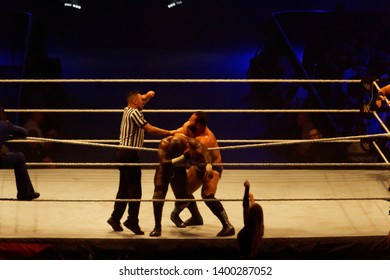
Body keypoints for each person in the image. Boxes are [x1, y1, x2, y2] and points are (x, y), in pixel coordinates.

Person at [107, 90, 177, 235]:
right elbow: (150, 129)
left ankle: (115, 218)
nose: (143, 102)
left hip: (122, 154)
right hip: (129, 155)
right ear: (135, 102)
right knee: (135, 190)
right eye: (141, 100)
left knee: (124, 189)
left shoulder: (127, 110)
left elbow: (140, 99)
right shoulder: (135, 113)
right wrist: (170, 132)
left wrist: (148, 96)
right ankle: (132, 220)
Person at [173, 111, 235, 237]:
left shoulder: (207, 139)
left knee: (207, 196)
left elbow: (190, 154)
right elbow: (177, 133)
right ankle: (196, 217)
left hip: (212, 168)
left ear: (199, 125)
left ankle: (228, 226)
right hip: (198, 167)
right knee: (183, 192)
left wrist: (182, 142)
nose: (188, 121)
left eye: (192, 120)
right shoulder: (189, 126)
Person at [150, 133, 212, 237]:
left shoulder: (190, 142)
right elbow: (164, 162)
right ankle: (157, 227)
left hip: (179, 170)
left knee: (183, 197)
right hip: (164, 169)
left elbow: (204, 150)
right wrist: (183, 157)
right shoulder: (164, 143)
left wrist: (209, 165)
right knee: (158, 196)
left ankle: (175, 216)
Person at [0, 107, 40, 200]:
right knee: (19, 157)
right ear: (4, 115)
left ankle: (27, 192)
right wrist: (8, 128)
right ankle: (25, 193)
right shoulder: (5, 124)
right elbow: (24, 132)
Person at [237, 180, 264, 259]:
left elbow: (245, 206)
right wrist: (251, 197)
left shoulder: (247, 229)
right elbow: (253, 212)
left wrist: (247, 189)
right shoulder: (260, 230)